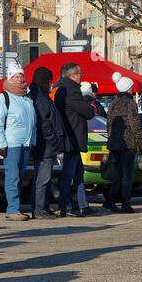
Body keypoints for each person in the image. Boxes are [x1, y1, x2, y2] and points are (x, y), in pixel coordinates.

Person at [0, 70, 37, 221]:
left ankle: (15, 207)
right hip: (11, 143)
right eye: (16, 77)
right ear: (9, 78)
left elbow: (32, 122)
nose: (19, 79)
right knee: (13, 177)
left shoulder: (26, 98)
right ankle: (12, 209)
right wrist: (1, 144)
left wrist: (33, 140)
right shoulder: (3, 98)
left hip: (26, 143)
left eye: (21, 76)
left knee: (19, 176)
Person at [52, 62, 96, 217]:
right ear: (72, 76)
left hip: (69, 136)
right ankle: (66, 206)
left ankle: (83, 204)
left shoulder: (59, 87)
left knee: (78, 173)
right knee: (69, 174)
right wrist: (89, 101)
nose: (81, 77)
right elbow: (88, 112)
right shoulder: (72, 90)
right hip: (73, 137)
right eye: (80, 74)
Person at [105, 73, 142, 213]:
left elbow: (108, 124)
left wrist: (111, 140)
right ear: (128, 89)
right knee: (127, 175)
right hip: (128, 144)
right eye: (132, 87)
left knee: (118, 173)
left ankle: (110, 200)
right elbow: (135, 125)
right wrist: (141, 143)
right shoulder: (130, 103)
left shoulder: (113, 103)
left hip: (115, 144)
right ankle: (125, 203)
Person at [29, 67, 65, 218]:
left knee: (44, 178)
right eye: (49, 81)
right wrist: (54, 140)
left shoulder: (41, 95)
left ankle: (43, 207)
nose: (51, 84)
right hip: (45, 146)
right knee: (42, 179)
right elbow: (44, 123)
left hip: (46, 144)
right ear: (44, 81)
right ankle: (39, 210)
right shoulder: (39, 97)